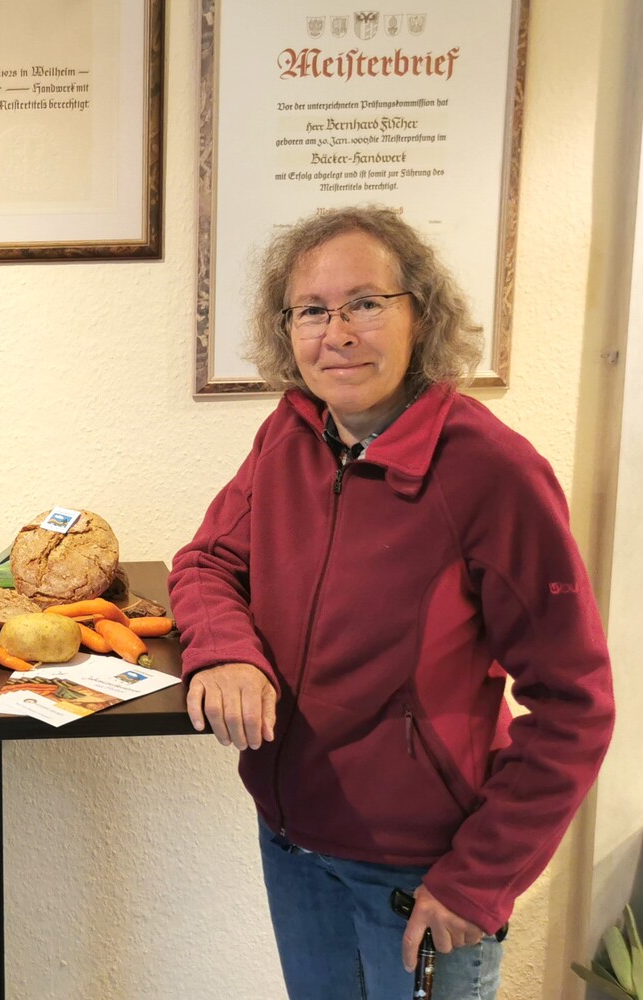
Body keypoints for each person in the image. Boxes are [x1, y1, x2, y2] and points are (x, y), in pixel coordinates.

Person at [168, 206, 614, 1000]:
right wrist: (226, 649)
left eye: (365, 304)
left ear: (422, 316)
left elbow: (577, 705)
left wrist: (480, 880)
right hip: (292, 846)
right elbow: (207, 562)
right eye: (312, 310)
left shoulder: (493, 471)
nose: (336, 332)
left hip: (420, 876)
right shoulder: (290, 433)